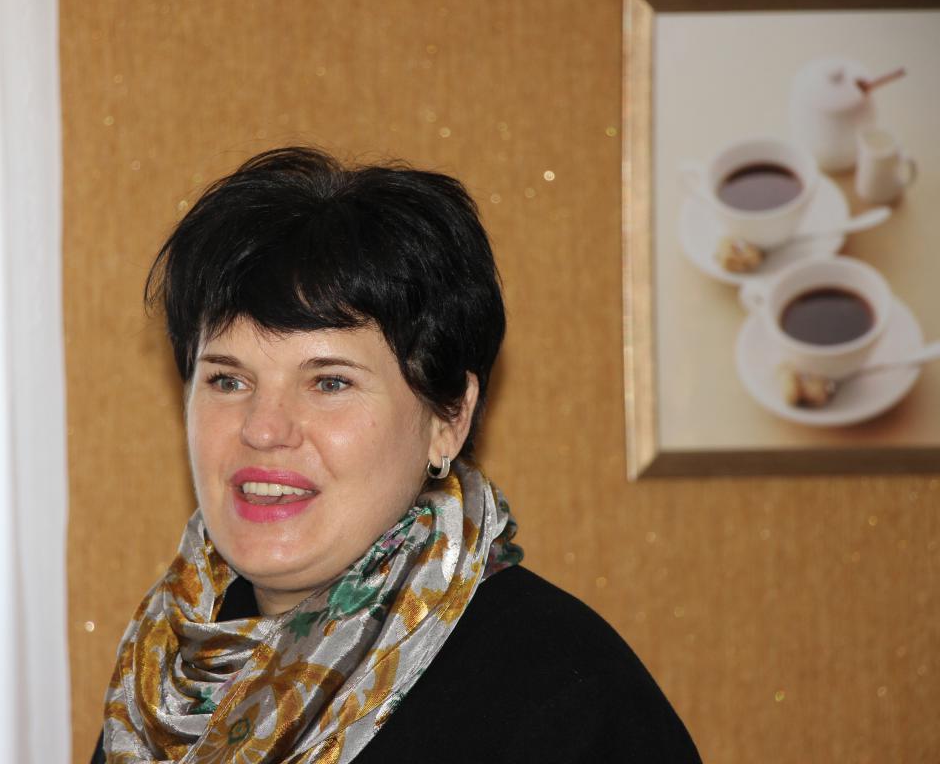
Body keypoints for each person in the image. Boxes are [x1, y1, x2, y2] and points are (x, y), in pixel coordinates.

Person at [92, 147, 701, 763]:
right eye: (228, 380)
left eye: (330, 382)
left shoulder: (567, 698)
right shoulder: (167, 674)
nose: (264, 428)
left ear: (448, 419)